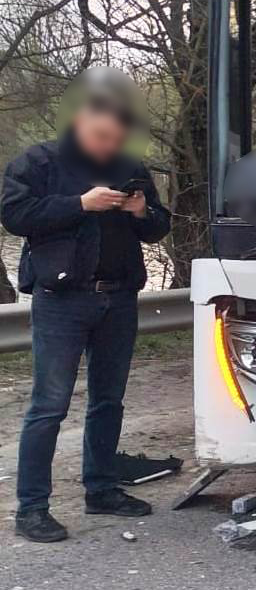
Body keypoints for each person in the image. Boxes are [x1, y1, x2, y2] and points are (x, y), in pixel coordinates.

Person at [2, 67, 171, 543]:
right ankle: (31, 508)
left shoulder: (130, 165)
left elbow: (159, 228)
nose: (107, 146)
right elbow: (14, 216)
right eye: (100, 137)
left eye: (116, 138)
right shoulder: (37, 163)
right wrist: (81, 204)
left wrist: (143, 212)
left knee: (109, 400)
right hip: (62, 299)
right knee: (48, 406)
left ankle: (101, 489)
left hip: (118, 297)